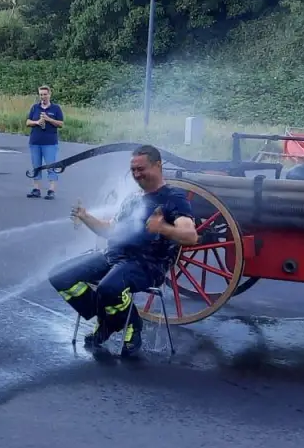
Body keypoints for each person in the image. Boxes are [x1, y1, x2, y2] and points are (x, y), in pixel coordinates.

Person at [49, 145, 200, 359]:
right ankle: (109, 319)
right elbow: (110, 230)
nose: (137, 175)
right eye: (133, 170)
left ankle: (130, 326)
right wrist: (85, 216)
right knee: (59, 276)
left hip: (146, 264)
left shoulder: (173, 197)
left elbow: (191, 236)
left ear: (158, 165)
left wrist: (163, 228)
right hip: (113, 257)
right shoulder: (133, 198)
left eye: (142, 168)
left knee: (108, 288)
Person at [26, 85, 64, 199]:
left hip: (50, 142)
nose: (43, 97)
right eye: (41, 94)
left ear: (49, 94)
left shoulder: (56, 108)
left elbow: (61, 124)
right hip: (36, 141)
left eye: (45, 94)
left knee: (51, 165)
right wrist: (37, 122)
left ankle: (51, 190)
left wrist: (49, 119)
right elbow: (28, 122)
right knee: (36, 165)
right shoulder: (35, 108)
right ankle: (36, 189)